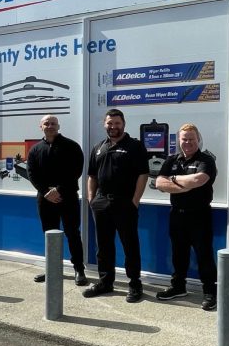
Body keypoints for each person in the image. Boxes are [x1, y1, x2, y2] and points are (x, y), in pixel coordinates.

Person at [83, 109, 149, 303]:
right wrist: (91, 199)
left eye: (117, 123)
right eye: (110, 123)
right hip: (101, 203)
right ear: (105, 124)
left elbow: (142, 175)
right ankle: (105, 281)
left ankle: (135, 283)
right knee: (103, 245)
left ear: (123, 124)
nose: (113, 127)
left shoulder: (135, 146)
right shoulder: (98, 147)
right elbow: (92, 176)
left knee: (130, 245)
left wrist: (134, 202)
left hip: (124, 203)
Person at [155, 123, 218, 311]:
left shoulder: (206, 160)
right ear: (179, 141)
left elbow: (199, 180)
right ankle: (178, 287)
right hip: (177, 215)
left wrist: (173, 179)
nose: (188, 142)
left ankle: (210, 292)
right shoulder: (172, 159)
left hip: (199, 215)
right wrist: (185, 184)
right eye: (184, 139)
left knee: (204, 255)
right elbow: (159, 182)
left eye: (191, 139)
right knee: (178, 253)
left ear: (198, 139)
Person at [26, 115, 87, 286]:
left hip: (67, 197)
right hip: (45, 199)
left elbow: (76, 171)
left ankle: (79, 270)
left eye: (53, 123)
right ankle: (52, 269)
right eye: (47, 123)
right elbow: (32, 174)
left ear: (58, 126)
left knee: (73, 234)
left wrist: (58, 190)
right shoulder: (35, 150)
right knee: (50, 235)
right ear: (41, 127)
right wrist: (46, 191)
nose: (50, 126)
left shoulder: (71, 146)